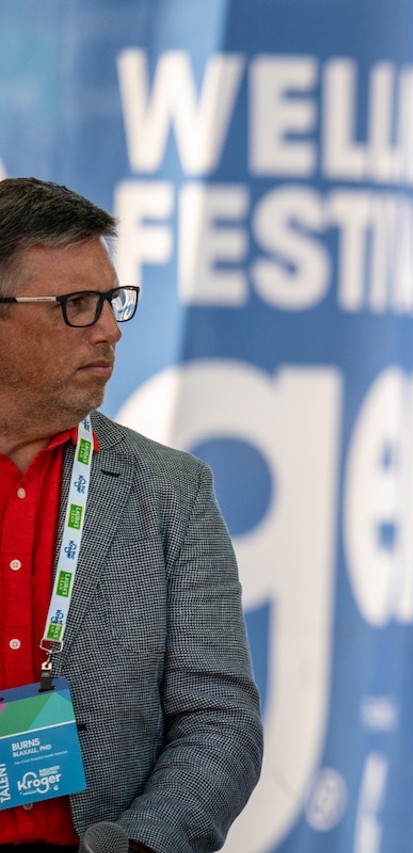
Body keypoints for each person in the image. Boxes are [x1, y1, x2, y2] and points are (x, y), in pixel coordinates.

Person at [0, 178, 263, 852]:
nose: (111, 329)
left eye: (112, 300)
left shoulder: (171, 493)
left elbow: (220, 720)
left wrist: (140, 844)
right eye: (78, 305)